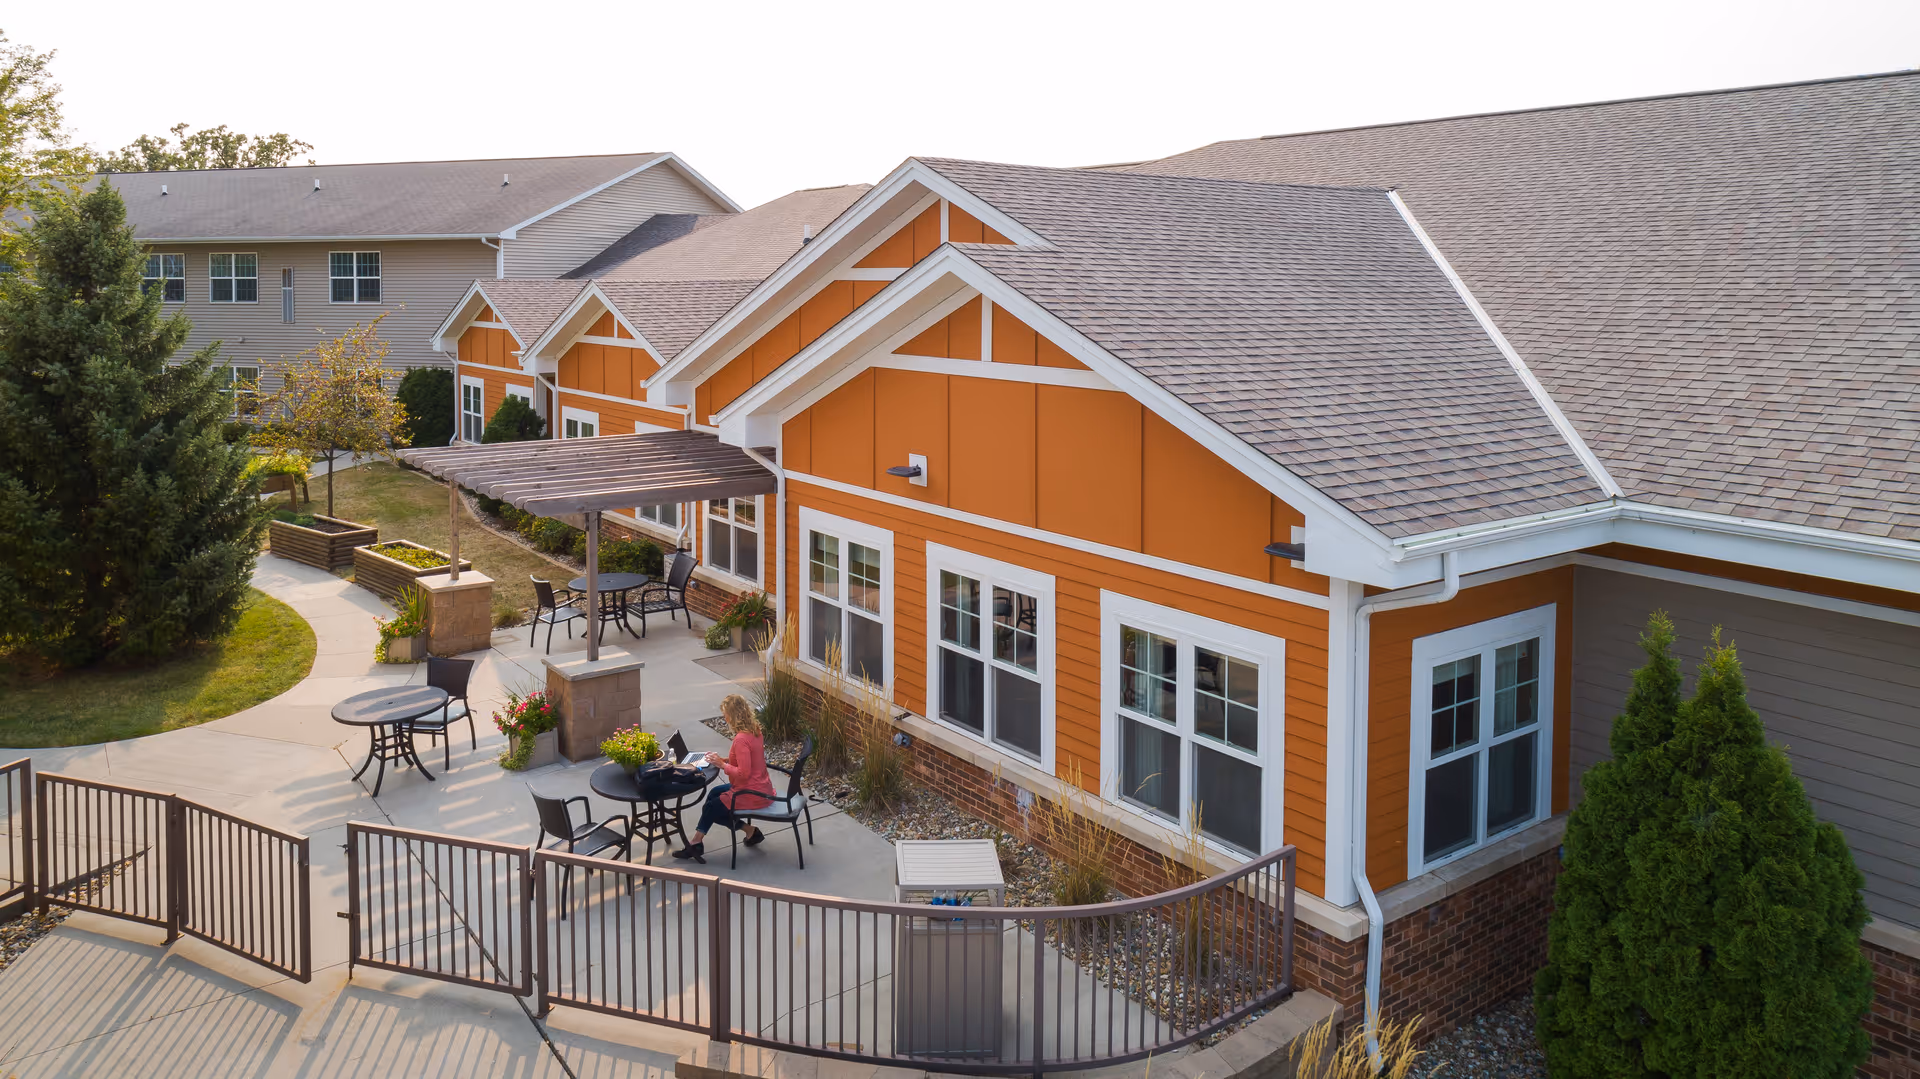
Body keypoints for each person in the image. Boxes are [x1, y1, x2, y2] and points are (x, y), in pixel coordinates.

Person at [673, 694, 773, 863]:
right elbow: (747, 761)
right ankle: (750, 831)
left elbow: (743, 773)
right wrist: (723, 760)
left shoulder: (741, 739)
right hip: (760, 786)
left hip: (750, 791)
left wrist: (721, 765)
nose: (724, 717)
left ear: (733, 715)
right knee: (713, 795)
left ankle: (695, 843)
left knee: (712, 807)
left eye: (726, 713)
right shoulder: (754, 730)